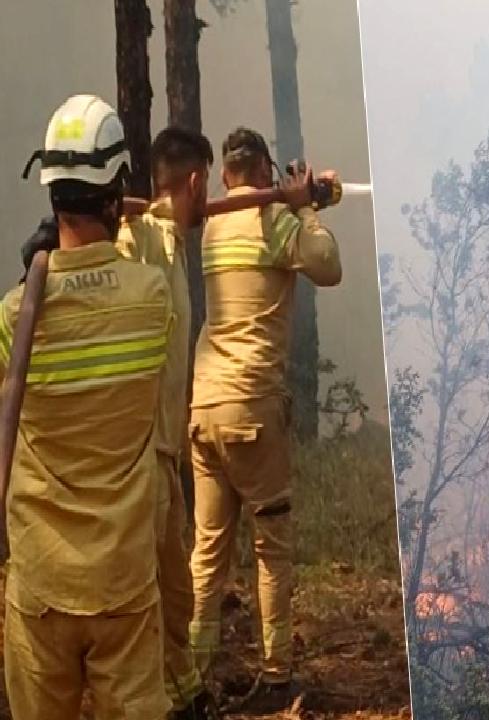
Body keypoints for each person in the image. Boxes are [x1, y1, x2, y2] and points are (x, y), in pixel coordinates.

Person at [1, 94, 171, 719]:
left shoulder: (17, 314)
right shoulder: (151, 299)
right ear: (116, 189)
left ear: (49, 193)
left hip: (42, 582)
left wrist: (35, 276)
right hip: (123, 582)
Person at [187, 126, 342, 711]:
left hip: (204, 409)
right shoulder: (273, 223)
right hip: (252, 409)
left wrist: (295, 199)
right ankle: (277, 677)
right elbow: (327, 266)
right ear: (263, 171)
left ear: (227, 174)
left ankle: (194, 682)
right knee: (272, 550)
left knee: (207, 555)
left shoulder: (214, 226)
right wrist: (304, 211)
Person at [115, 125, 219, 720]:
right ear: (197, 181)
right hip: (139, 451)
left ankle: (186, 694)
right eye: (206, 188)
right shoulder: (143, 239)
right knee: (146, 591)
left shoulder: (175, 244)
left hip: (166, 450)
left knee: (175, 591)